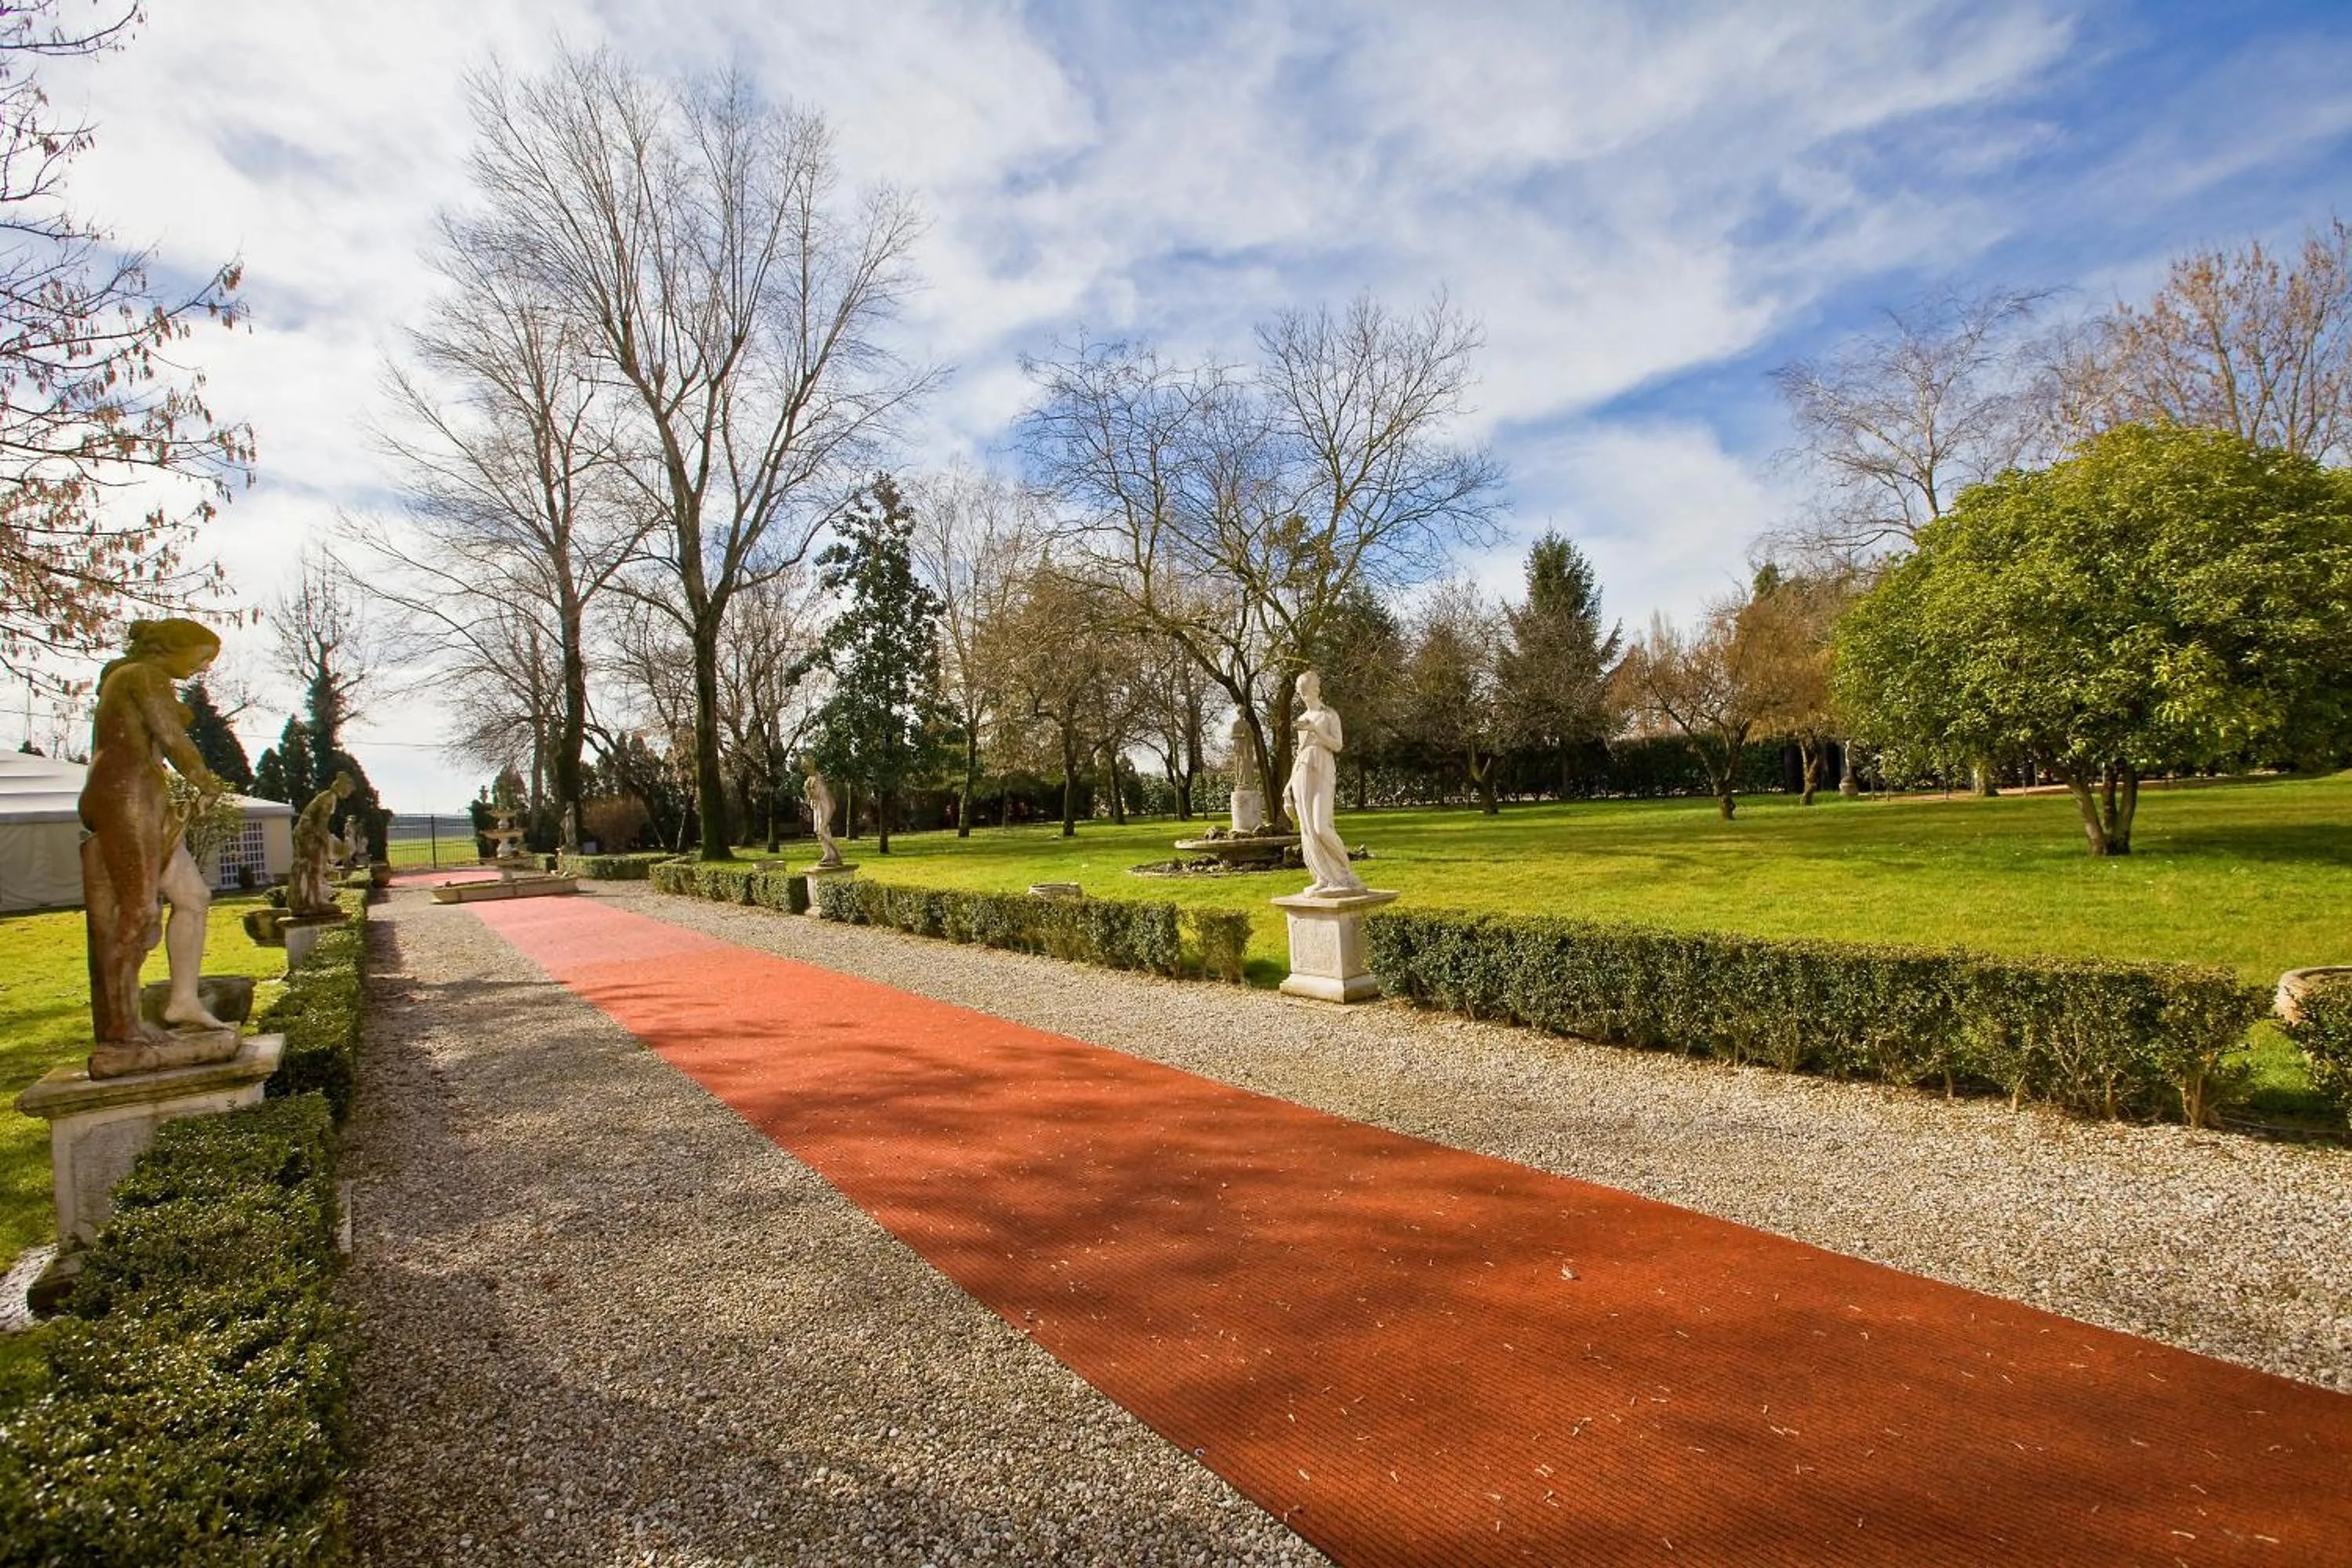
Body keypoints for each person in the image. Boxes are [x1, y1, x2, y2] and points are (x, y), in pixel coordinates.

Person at [78, 618, 231, 1050]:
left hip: (141, 793)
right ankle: (120, 1023)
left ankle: (182, 1000)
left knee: (193, 897)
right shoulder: (143, 675)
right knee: (137, 912)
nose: (203, 668)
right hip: (125, 794)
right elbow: (170, 734)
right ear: (172, 648)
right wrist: (203, 777)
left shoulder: (130, 677)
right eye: (202, 658)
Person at [1287, 669, 1367, 897]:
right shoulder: (1301, 719)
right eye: (1300, 691)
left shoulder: (1329, 714)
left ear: (1316, 689)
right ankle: (1322, 877)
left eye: (1307, 689)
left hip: (1323, 768)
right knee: (1308, 829)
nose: (1303, 694)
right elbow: (1300, 752)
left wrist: (1316, 730)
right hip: (1302, 771)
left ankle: (1346, 874)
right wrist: (1288, 786)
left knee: (1322, 827)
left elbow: (1337, 745)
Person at [290, 772, 358, 915]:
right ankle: (314, 902)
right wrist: (327, 846)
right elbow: (321, 825)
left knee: (310, 867)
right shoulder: (329, 798)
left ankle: (308, 901)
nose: (349, 793)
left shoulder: (327, 796)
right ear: (343, 787)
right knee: (315, 868)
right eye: (349, 789)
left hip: (305, 833)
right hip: (308, 834)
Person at [804, 762, 844, 868]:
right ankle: (829, 854)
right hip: (817, 807)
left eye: (807, 767)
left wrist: (807, 790)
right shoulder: (809, 779)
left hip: (825, 806)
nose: (806, 770)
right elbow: (810, 799)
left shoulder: (818, 779)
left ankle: (838, 854)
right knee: (818, 831)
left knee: (822, 830)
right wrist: (808, 792)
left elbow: (816, 795)